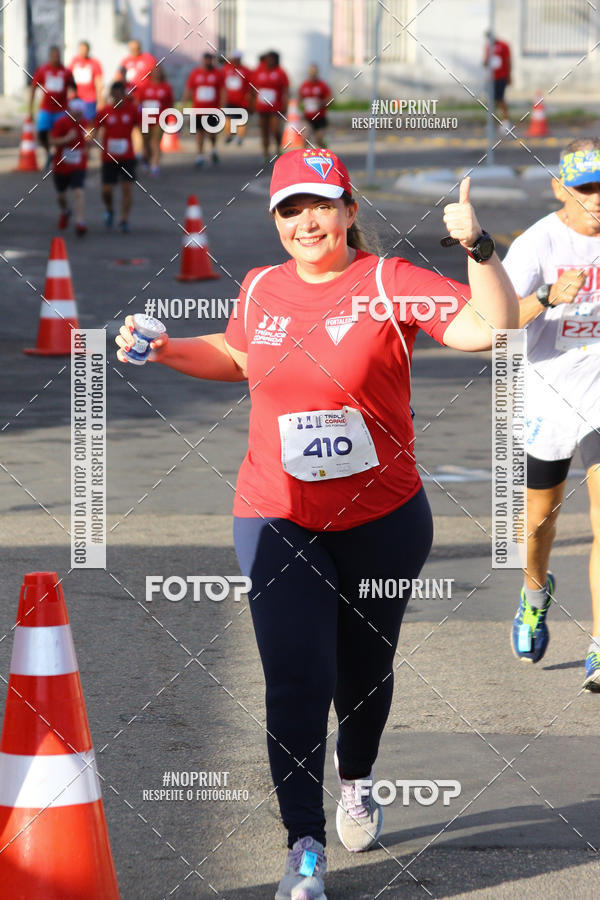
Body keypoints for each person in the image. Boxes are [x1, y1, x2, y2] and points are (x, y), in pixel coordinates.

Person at [115, 148, 518, 898]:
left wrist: (479, 249)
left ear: (349, 210)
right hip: (276, 511)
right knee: (297, 677)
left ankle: (357, 777)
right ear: (276, 221)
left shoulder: (387, 280)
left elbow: (487, 329)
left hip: (384, 517)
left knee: (363, 678)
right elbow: (237, 357)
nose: (308, 221)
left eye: (322, 205)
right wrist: (168, 347)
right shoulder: (263, 287)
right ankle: (303, 844)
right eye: (291, 209)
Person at [503, 138, 600, 691]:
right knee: (538, 525)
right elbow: (496, 326)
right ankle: (534, 594)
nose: (596, 198)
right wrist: (547, 299)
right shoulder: (536, 243)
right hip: (546, 394)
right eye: (585, 188)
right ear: (560, 188)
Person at [91, 81, 141, 232]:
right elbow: (94, 129)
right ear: (112, 95)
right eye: (116, 95)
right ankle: (110, 209)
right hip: (109, 158)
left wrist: (140, 149)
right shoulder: (104, 111)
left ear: (124, 95)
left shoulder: (132, 110)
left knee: (127, 188)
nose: (118, 98)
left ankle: (124, 219)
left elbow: (139, 130)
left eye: (121, 95)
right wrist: (86, 146)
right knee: (107, 190)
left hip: (127, 156)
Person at [29, 46, 75, 170]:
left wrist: (73, 104)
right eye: (54, 56)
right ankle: (49, 151)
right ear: (50, 57)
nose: (56, 58)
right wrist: (30, 109)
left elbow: (73, 88)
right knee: (42, 134)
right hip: (46, 108)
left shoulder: (66, 72)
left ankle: (58, 158)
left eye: (58, 56)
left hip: (61, 109)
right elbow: (33, 88)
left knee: (59, 135)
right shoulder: (43, 70)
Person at [49, 97, 89, 235]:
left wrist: (89, 143)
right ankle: (65, 211)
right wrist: (66, 139)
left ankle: (80, 222)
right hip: (61, 165)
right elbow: (52, 141)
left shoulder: (85, 123)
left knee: (78, 192)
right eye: (76, 113)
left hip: (78, 165)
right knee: (61, 196)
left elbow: (92, 139)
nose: (78, 117)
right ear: (70, 111)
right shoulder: (61, 123)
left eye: (81, 113)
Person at [182, 51, 224, 167]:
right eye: (206, 60)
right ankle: (200, 155)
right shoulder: (195, 74)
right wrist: (184, 104)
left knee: (211, 132)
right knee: (199, 132)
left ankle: (213, 148)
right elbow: (189, 89)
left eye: (209, 60)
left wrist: (222, 106)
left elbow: (222, 90)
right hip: (198, 109)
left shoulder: (217, 74)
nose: (207, 62)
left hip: (213, 109)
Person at [136, 64, 174, 176]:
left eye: (159, 71)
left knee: (155, 142)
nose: (157, 73)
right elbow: (138, 103)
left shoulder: (166, 87)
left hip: (160, 120)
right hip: (145, 119)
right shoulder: (144, 87)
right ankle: (147, 160)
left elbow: (170, 103)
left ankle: (155, 166)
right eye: (155, 71)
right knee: (146, 143)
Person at [253, 50, 289, 163]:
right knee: (264, 130)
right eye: (268, 59)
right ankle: (265, 152)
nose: (269, 61)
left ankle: (278, 147)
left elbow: (286, 90)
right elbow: (253, 88)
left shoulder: (280, 72)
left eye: (272, 59)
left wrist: (285, 105)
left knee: (275, 129)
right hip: (262, 107)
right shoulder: (259, 71)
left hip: (275, 107)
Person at [222, 50, 253, 146]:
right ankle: (229, 134)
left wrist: (249, 97)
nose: (236, 60)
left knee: (241, 120)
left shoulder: (246, 71)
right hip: (229, 99)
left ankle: (239, 137)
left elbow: (250, 85)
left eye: (238, 58)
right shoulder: (226, 69)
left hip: (242, 100)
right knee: (227, 118)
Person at [298, 64, 332, 149]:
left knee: (319, 140)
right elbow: (299, 99)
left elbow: (330, 100)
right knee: (305, 138)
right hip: (307, 118)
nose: (312, 74)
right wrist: (302, 105)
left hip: (320, 118)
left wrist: (321, 103)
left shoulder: (322, 85)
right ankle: (305, 159)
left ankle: (325, 152)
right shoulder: (304, 85)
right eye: (311, 72)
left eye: (314, 72)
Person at [484, 31, 511, 131]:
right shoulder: (488, 47)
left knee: (500, 99)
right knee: (491, 101)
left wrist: (509, 76)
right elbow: (486, 61)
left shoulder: (503, 46)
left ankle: (506, 121)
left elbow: (508, 61)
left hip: (501, 76)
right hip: (491, 78)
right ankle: (492, 123)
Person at [69, 40, 103, 121]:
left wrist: (100, 99)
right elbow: (69, 78)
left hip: (90, 99)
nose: (82, 52)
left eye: (84, 50)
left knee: (88, 122)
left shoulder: (94, 63)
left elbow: (99, 82)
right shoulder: (74, 61)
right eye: (81, 49)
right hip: (76, 99)